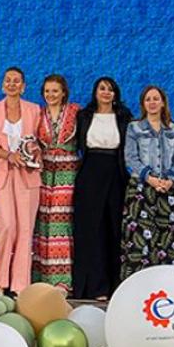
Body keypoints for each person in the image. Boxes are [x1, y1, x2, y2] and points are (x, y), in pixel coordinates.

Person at [0, 67, 42, 295]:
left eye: (16, 81)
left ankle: (20, 286)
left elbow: (39, 140)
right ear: (2, 85)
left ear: (24, 86)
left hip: (27, 175)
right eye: (8, 80)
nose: (12, 84)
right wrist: (8, 155)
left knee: (25, 229)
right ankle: (0, 282)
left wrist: (33, 155)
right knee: (6, 226)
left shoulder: (35, 110)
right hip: (0, 172)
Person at [72, 77, 133, 300]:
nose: (106, 93)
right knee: (91, 229)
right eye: (102, 89)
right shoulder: (84, 116)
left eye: (110, 89)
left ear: (116, 94)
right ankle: (94, 286)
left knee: (114, 228)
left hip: (115, 173)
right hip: (90, 173)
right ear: (95, 92)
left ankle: (116, 285)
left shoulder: (125, 117)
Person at [120, 85, 174, 276]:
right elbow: (131, 158)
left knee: (169, 240)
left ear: (163, 102)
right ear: (143, 103)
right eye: (148, 99)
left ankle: (169, 283)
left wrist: (171, 180)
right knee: (141, 240)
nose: (152, 102)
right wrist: (149, 178)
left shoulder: (173, 128)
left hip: (168, 191)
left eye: (156, 99)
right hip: (142, 190)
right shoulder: (134, 127)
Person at [33, 74, 80, 294]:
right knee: (43, 223)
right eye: (47, 91)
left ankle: (63, 281)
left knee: (62, 223)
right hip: (43, 172)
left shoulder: (75, 112)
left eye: (55, 91)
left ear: (64, 92)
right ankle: (42, 279)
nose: (51, 95)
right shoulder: (37, 114)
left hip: (68, 171)